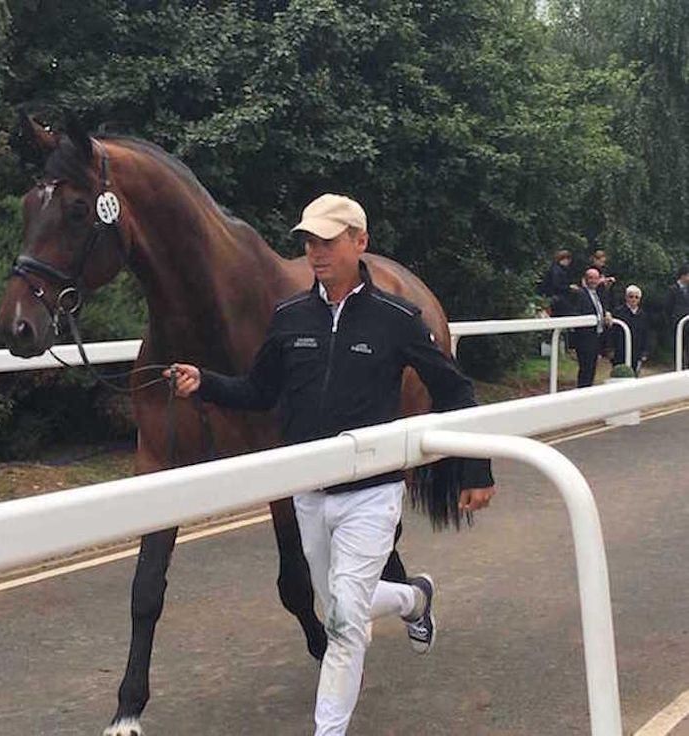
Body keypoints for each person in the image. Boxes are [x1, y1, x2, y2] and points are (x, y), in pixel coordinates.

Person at [164, 193, 496, 736]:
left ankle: (329, 730)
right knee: (344, 600)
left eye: (327, 241)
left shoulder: (396, 318)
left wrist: (476, 465)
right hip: (308, 493)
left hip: (372, 493)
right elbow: (259, 390)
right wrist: (206, 384)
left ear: (359, 242)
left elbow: (455, 390)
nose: (315, 252)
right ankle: (415, 597)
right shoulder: (291, 316)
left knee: (343, 623)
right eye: (309, 242)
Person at [571, 267, 612, 387]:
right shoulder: (580, 294)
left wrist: (606, 313)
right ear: (585, 279)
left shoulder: (597, 294)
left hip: (596, 337)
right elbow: (575, 313)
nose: (593, 281)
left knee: (592, 368)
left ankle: (588, 391)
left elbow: (601, 309)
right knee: (586, 368)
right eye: (590, 278)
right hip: (584, 338)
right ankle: (582, 394)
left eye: (596, 278)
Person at [611, 285, 650, 375]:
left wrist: (645, 351)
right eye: (631, 296)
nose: (633, 299)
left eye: (636, 297)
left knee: (634, 373)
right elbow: (612, 332)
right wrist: (610, 347)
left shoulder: (643, 315)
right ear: (626, 297)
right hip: (620, 349)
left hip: (636, 350)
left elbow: (645, 334)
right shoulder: (618, 312)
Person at [664, 264, 689, 368]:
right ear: (683, 276)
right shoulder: (672, 290)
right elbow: (667, 308)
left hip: (688, 324)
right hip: (677, 324)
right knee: (678, 348)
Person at [538, 249, 576, 317]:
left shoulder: (556, 269)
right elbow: (557, 285)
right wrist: (569, 287)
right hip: (557, 298)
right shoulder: (557, 271)